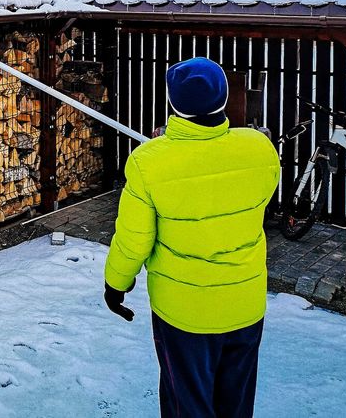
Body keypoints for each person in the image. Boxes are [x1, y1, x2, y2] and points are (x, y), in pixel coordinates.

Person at [103, 57, 280, 418]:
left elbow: (134, 238)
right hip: (245, 305)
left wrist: (115, 284)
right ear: (225, 97)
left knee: (187, 402)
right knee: (236, 403)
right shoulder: (260, 149)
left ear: (172, 103)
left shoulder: (148, 161)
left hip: (183, 313)